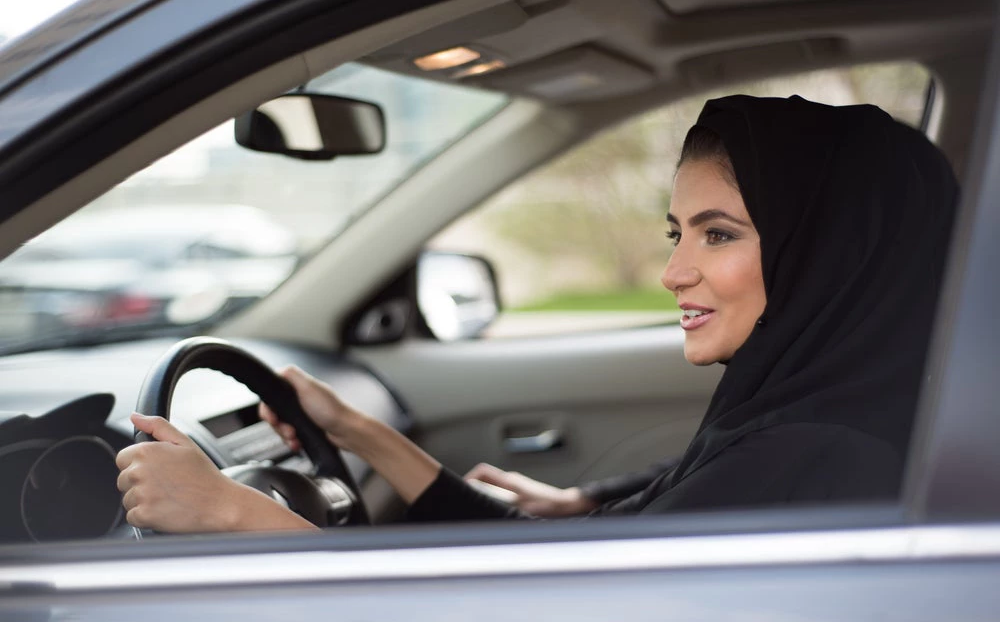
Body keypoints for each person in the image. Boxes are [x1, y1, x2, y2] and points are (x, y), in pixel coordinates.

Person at [116, 94, 959, 532]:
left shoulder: (815, 458)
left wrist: (233, 509)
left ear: (830, 254)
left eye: (719, 233)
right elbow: (555, 566)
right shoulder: (801, 417)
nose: (672, 271)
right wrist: (355, 427)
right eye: (678, 233)